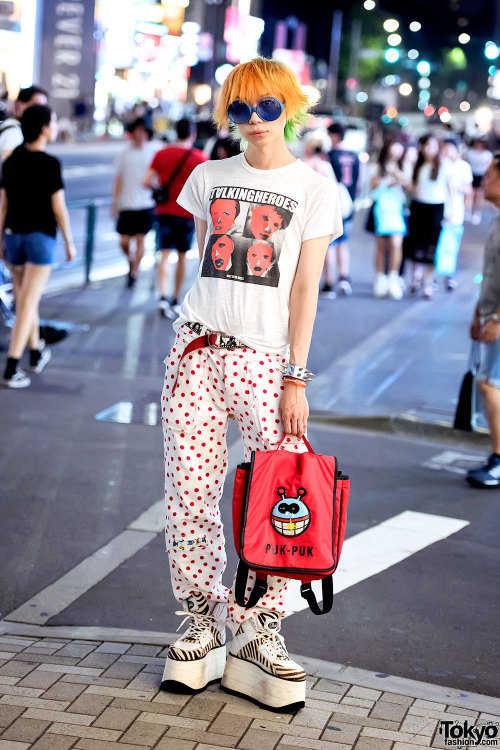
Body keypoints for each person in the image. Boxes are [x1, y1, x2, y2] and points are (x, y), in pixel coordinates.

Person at [160, 57, 342, 711]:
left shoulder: (316, 188)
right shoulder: (208, 177)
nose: (256, 119)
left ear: (291, 107)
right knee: (189, 493)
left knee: (279, 497)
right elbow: (206, 263)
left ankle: (259, 629)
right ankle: (202, 620)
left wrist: (296, 376)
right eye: (241, 108)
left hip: (267, 363)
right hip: (196, 351)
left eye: (269, 106)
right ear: (228, 114)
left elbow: (304, 289)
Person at [0, 105, 75, 388]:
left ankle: (35, 352)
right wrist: (69, 242)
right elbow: (59, 208)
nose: (55, 126)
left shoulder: (11, 162)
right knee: (27, 303)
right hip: (40, 238)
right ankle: (11, 368)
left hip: (13, 237)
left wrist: (0, 241)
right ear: (44, 127)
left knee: (24, 299)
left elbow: (3, 205)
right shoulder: (49, 163)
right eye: (54, 121)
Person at [143, 118, 208, 316]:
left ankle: (162, 296)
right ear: (193, 134)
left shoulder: (162, 154)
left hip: (164, 211)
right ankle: (175, 298)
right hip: (187, 213)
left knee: (163, 254)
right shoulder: (200, 158)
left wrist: (161, 189)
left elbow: (146, 181)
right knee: (181, 256)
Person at [467, 155, 500, 488]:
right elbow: (492, 274)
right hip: (490, 314)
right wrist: (480, 312)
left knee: (490, 384)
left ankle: (498, 460)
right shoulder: (496, 218)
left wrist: (497, 319)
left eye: (490, 175)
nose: (484, 180)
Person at [112, 117, 158, 289]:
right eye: (137, 130)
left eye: (143, 131)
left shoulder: (154, 151)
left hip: (146, 203)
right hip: (126, 203)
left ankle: (134, 272)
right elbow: (118, 179)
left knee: (140, 240)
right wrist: (114, 203)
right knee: (123, 242)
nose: (140, 134)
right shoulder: (124, 153)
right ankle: (131, 260)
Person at [405, 134, 451, 300]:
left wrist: (450, 212)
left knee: (431, 247)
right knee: (415, 245)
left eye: (430, 145)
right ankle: (415, 279)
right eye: (424, 145)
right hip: (418, 207)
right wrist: (411, 188)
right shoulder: (417, 164)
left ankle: (428, 285)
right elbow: (411, 186)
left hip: (435, 208)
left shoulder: (444, 165)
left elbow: (449, 189)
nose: (427, 149)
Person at [325, 121, 359, 295]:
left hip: (333, 204)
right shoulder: (355, 156)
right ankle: (344, 277)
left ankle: (329, 282)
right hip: (349, 204)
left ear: (335, 136)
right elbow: (360, 182)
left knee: (330, 243)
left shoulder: (329, 155)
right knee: (343, 241)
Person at [370, 140, 407, 300]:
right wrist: (388, 181)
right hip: (382, 209)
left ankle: (393, 277)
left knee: (396, 243)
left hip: (396, 209)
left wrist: (399, 179)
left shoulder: (403, 167)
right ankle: (380, 278)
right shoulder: (377, 168)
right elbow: (373, 187)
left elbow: (408, 185)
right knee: (381, 245)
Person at [439, 138, 473, 291]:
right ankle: (433, 276)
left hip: (456, 209)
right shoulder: (440, 165)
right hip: (440, 207)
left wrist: (456, 187)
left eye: (449, 149)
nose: (446, 152)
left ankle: (449, 276)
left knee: (452, 243)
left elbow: (468, 190)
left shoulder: (463, 167)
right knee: (437, 242)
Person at [0, 86, 48, 163]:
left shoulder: (15, 127)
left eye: (44, 107)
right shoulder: (13, 132)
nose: (43, 112)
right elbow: (10, 169)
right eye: (37, 105)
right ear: (20, 105)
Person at [466, 138, 493, 225]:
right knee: (470, 194)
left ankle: (477, 213)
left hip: (481, 175)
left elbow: (489, 166)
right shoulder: (470, 152)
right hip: (471, 174)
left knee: (479, 195)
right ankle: (468, 211)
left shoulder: (487, 154)